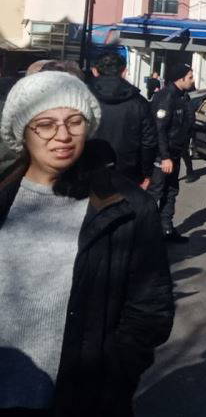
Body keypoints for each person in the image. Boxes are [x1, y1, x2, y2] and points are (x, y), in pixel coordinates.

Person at [0, 71, 174, 415]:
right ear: (22, 131)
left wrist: (114, 378)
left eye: (75, 122)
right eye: (45, 124)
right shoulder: (5, 194)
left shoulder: (127, 206)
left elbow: (149, 309)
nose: (63, 135)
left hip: (80, 399)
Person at [88, 52, 156, 188]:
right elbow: (149, 142)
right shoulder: (139, 102)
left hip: (88, 167)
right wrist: (147, 173)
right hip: (128, 170)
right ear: (124, 72)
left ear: (94, 71)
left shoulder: (82, 97)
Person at [147, 63, 195, 243]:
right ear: (180, 78)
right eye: (190, 77)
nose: (193, 80)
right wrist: (165, 157)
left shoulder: (183, 96)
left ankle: (166, 228)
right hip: (163, 156)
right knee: (156, 193)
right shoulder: (166, 96)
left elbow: (186, 123)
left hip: (175, 152)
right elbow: (159, 129)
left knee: (171, 191)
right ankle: (146, 232)